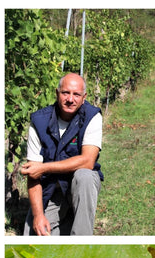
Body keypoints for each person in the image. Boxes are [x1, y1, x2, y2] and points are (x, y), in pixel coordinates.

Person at [22, 72, 103, 235]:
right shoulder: (39, 121)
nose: (70, 99)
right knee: (34, 238)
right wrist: (38, 216)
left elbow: (87, 161)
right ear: (57, 93)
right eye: (66, 93)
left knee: (85, 176)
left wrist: (44, 168)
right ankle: (66, 221)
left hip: (78, 187)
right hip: (51, 189)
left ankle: (81, 240)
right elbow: (33, 174)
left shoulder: (92, 116)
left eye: (76, 94)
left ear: (84, 97)